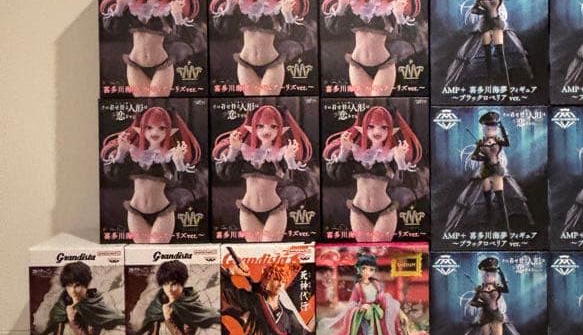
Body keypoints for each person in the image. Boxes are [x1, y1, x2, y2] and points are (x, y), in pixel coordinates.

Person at [212, 104, 317, 242]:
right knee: (256, 252)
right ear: (253, 128)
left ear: (280, 129)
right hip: (247, 209)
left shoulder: (282, 153)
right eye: (260, 126)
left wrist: (290, 160)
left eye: (273, 126)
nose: (266, 130)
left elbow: (301, 181)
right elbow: (225, 175)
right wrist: (233, 150)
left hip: (274, 210)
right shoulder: (245, 151)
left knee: (269, 250)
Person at [210, 0, 312, 97]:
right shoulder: (242, 4)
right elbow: (224, 29)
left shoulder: (280, 6)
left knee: (268, 101)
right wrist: (230, 5)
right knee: (254, 102)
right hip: (245, 62)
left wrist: (288, 14)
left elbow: (296, 34)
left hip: (272, 62)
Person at [323, 105, 426, 242]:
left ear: (391, 130)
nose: (377, 131)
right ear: (363, 129)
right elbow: (336, 175)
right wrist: (343, 152)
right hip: (358, 208)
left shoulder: (392, 154)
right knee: (365, 250)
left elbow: (409, 182)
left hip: (384, 210)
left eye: (384, 127)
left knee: (379, 249)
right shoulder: (356, 152)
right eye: (371, 126)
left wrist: (401, 161)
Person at [321, 0, 423, 97]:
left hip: (384, 64)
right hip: (357, 63)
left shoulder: (392, 7)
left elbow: (411, 36)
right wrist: (342, 5)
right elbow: (334, 29)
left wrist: (399, 15)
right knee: (365, 103)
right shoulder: (353, 5)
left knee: (378, 100)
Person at [100, 0, 202, 97]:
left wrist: (177, 15)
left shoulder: (169, 8)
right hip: (135, 62)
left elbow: (184, 36)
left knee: (158, 101)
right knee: (143, 103)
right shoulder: (132, 6)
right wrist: (120, 6)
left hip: (162, 64)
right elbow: (112, 29)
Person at [101, 105, 202, 244]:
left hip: (163, 210)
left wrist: (179, 162)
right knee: (143, 252)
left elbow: (186, 183)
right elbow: (113, 175)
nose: (155, 132)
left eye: (162, 128)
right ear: (141, 129)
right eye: (149, 127)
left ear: (170, 131)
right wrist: (121, 153)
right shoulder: (134, 153)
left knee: (158, 250)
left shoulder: (170, 155)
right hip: (135, 209)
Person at [221, 253, 315, 335]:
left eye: (283, 280)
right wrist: (232, 271)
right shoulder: (253, 301)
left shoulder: (288, 315)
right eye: (276, 279)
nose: (280, 284)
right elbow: (228, 293)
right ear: (266, 280)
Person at [441, 257, 532, 335]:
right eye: (486, 274)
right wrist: (482, 303)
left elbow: (506, 289)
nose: (488, 276)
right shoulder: (479, 289)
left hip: (496, 317)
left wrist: (501, 273)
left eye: (491, 274)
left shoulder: (499, 287)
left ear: (495, 275)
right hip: (484, 318)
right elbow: (473, 302)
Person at [444, 0, 533, 94]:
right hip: (485, 26)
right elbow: (474, 10)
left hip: (497, 24)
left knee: (501, 55)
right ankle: (490, 83)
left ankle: (507, 85)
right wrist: (480, 9)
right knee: (488, 57)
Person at [443, 111, 534, 237]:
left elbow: (507, 143)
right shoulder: (481, 142)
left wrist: (502, 127)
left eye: (493, 127)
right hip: (485, 172)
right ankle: (490, 228)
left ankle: (507, 230)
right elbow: (474, 157)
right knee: (488, 203)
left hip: (497, 171)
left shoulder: (499, 140)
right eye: (487, 127)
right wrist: (482, 155)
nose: (490, 129)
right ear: (484, 128)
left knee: (501, 202)